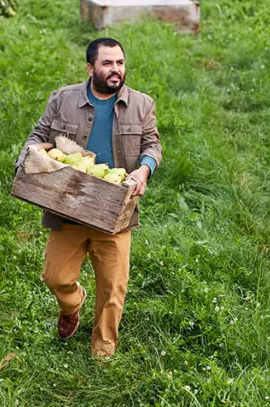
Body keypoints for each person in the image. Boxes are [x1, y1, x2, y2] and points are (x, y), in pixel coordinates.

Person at [15, 37, 162, 357]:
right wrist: (33, 154)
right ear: (90, 67)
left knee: (112, 290)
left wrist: (144, 170)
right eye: (107, 63)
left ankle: (103, 351)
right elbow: (39, 136)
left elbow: (152, 145)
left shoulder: (142, 104)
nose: (115, 70)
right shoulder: (63, 99)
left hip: (114, 212)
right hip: (68, 205)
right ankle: (72, 303)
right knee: (55, 277)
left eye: (120, 63)